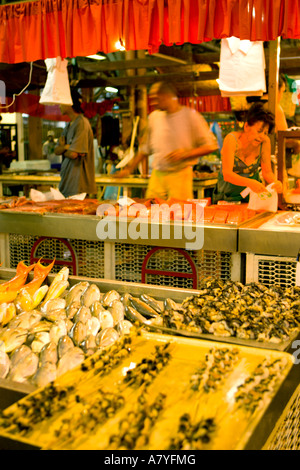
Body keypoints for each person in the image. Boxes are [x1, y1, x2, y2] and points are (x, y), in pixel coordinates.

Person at [115, 82, 218, 200]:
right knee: (151, 212)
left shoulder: (190, 116)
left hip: (180, 175)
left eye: (155, 99)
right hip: (157, 174)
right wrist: (128, 169)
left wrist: (185, 154)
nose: (152, 103)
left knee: (178, 214)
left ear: (166, 96)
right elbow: (145, 148)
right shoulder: (154, 117)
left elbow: (211, 146)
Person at [213, 102, 283, 203]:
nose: (262, 136)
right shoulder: (232, 140)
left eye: (265, 133)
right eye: (259, 131)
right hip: (227, 197)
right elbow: (227, 174)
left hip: (252, 198)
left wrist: (275, 182)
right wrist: (250, 182)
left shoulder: (264, 142)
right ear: (246, 126)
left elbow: (267, 172)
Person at [54, 89, 96, 198]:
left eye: (61, 103)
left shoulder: (81, 123)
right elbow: (56, 150)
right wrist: (66, 147)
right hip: (67, 183)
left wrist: (64, 148)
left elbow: (74, 154)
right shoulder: (68, 126)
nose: (59, 106)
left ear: (69, 104)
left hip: (79, 186)